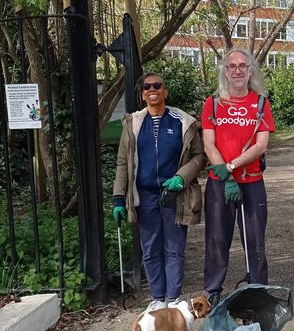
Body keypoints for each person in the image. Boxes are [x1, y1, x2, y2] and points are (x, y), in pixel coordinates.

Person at [113, 72, 206, 312]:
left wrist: (181, 177)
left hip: (174, 194)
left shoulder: (183, 121)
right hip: (144, 197)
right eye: (146, 87)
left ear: (165, 91)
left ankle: (173, 298)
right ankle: (157, 297)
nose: (151, 89)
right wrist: (118, 199)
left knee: (174, 248)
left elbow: (199, 155)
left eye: (157, 85)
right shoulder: (133, 123)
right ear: (142, 94)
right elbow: (123, 163)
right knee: (150, 248)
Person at [200, 48, 275, 306]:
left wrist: (230, 166)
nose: (238, 70)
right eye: (232, 66)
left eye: (243, 65)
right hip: (219, 184)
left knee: (255, 239)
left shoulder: (261, 103)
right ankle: (212, 289)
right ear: (225, 71)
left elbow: (260, 145)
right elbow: (209, 144)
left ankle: (258, 288)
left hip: (252, 181)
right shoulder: (213, 103)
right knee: (217, 238)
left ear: (250, 70)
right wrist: (226, 175)